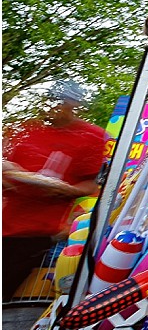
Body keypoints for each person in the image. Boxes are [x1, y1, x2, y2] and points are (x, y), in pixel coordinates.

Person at [2, 81, 107, 302]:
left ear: (75, 105)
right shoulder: (26, 128)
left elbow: (92, 185)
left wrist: (66, 190)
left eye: (61, 103)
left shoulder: (91, 136)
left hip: (35, 235)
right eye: (49, 101)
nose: (52, 108)